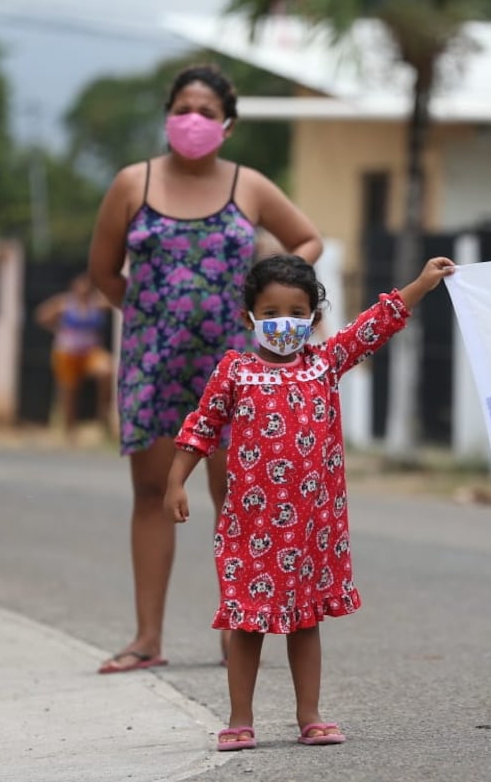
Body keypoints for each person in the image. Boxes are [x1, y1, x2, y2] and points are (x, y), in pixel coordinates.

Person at [164, 252, 455, 750]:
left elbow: (373, 327)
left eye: (297, 313)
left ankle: (310, 715)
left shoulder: (324, 363)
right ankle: (239, 719)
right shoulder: (234, 372)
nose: (285, 323)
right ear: (249, 316)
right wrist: (176, 480)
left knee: (305, 622)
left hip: (311, 528)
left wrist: (422, 285)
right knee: (247, 623)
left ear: (314, 318)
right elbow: (203, 425)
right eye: (272, 311)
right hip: (250, 528)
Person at [87, 64, 324, 674]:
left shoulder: (249, 186)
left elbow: (308, 241)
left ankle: (236, 630)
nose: (193, 120)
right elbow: (104, 271)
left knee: (234, 495)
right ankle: (146, 639)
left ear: (228, 124)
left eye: (207, 112)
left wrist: (273, 297)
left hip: (233, 367)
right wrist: (148, 318)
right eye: (183, 108)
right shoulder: (130, 184)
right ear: (168, 114)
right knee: (150, 492)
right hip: (152, 364)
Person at [34, 273, 112, 443]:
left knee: (106, 371)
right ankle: (70, 430)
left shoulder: (97, 304)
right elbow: (41, 315)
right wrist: (57, 330)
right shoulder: (64, 304)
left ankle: (103, 417)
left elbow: (117, 303)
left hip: (90, 352)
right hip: (67, 352)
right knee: (69, 391)